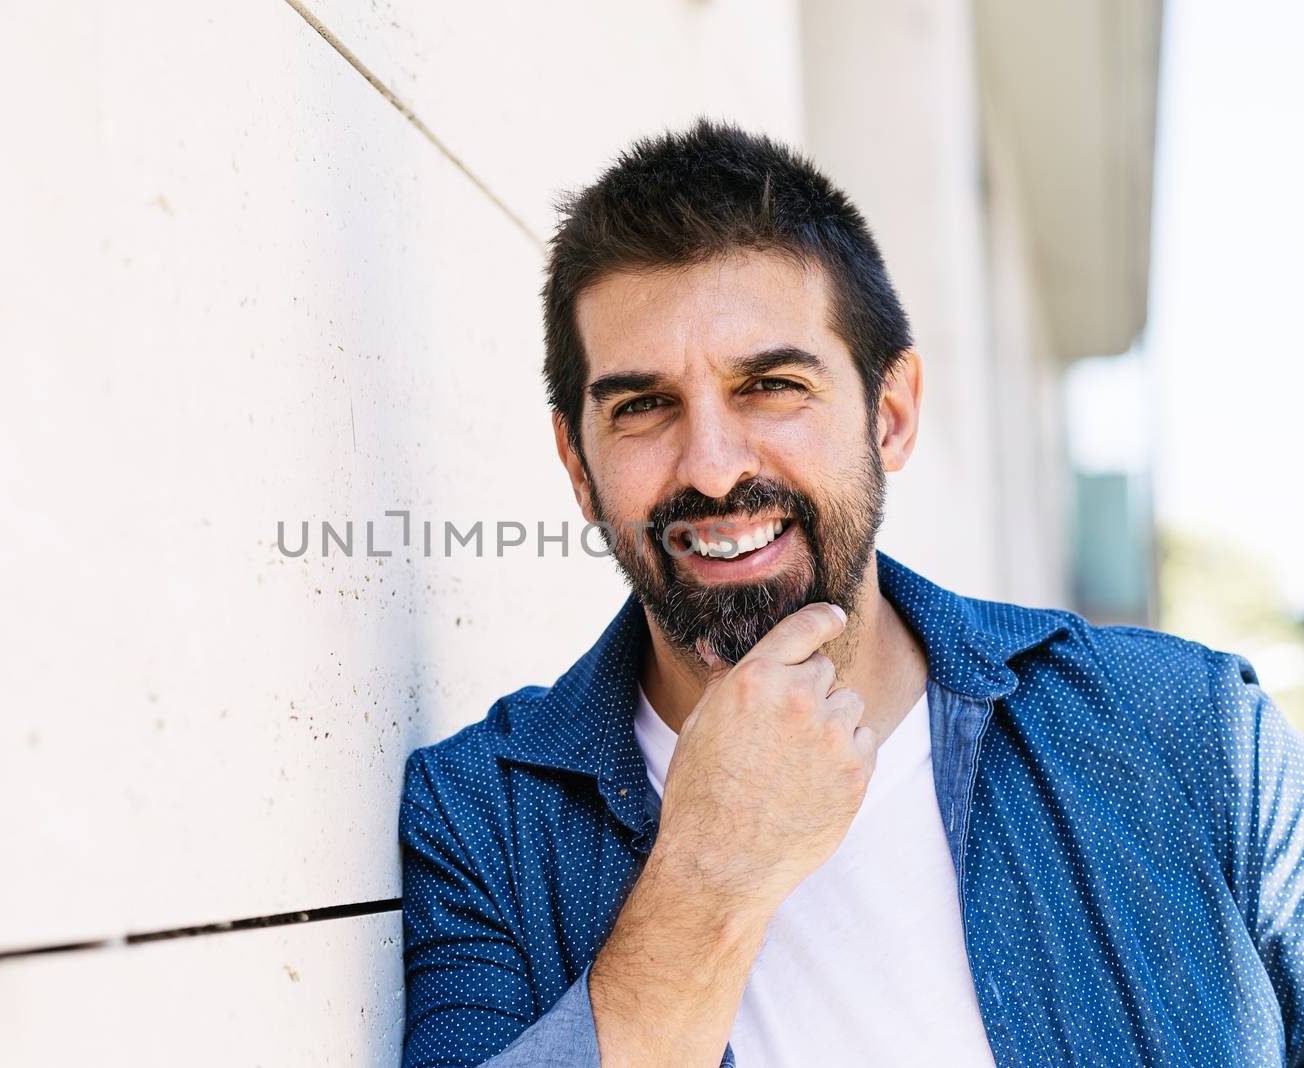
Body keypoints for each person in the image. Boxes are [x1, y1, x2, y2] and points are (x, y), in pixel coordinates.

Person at [398, 119, 1303, 1067]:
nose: (710, 469)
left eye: (773, 385)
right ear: (577, 468)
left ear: (892, 414)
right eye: (643, 406)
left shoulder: (1192, 734)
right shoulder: (482, 820)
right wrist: (708, 882)